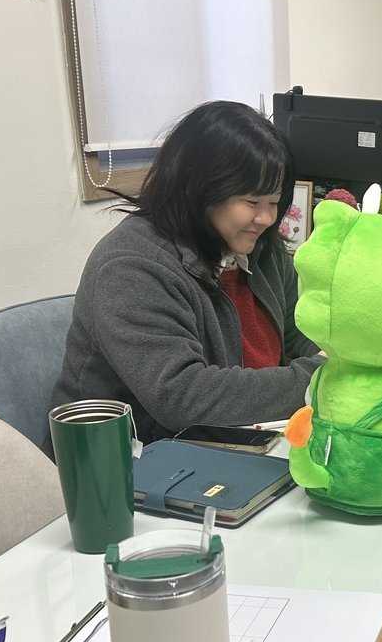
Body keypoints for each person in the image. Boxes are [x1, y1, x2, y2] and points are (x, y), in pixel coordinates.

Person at [50, 101, 323, 445]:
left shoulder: (258, 245)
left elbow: (299, 334)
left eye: (274, 202)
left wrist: (346, 361)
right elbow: (183, 397)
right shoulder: (131, 268)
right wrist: (321, 378)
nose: (267, 218)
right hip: (134, 457)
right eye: (253, 203)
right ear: (202, 190)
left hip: (243, 437)